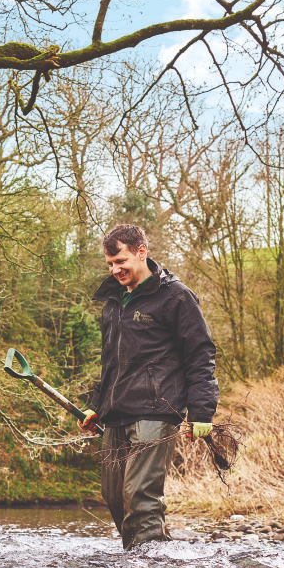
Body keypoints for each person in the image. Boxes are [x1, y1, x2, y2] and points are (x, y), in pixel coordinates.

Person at [79, 224, 218, 549]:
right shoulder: (114, 302)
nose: (115, 270)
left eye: (121, 261)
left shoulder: (176, 296)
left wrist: (201, 411)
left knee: (140, 497)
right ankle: (157, 559)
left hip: (157, 412)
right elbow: (111, 361)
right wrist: (96, 404)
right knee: (115, 497)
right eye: (110, 264)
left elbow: (200, 354)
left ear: (142, 252)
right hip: (116, 413)